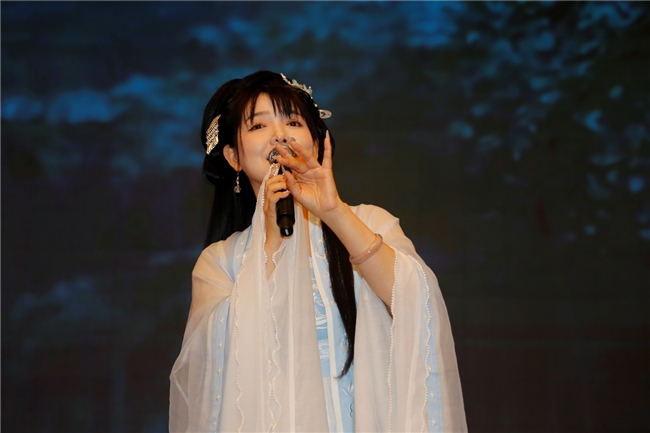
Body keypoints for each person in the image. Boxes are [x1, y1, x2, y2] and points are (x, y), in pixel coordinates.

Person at [169, 70, 467, 433]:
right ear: (233, 156)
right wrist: (270, 246)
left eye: (293, 122)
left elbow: (415, 303)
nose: (280, 135)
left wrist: (334, 212)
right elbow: (216, 371)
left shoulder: (371, 222)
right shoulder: (220, 262)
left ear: (316, 140)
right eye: (259, 125)